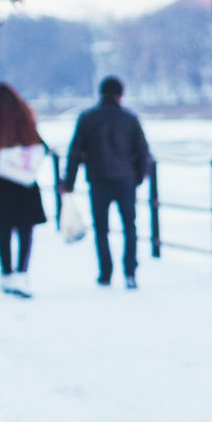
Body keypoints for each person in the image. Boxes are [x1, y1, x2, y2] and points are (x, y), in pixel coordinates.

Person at [62, 75, 152, 288]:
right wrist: (137, 177)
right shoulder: (129, 119)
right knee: (130, 227)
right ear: (120, 95)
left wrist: (69, 182)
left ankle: (105, 272)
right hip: (125, 180)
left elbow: (75, 152)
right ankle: (130, 272)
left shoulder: (87, 118)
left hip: (98, 180)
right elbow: (142, 151)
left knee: (101, 229)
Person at [0, 84, 50, 298]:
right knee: (25, 233)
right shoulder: (24, 120)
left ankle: (6, 273)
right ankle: (21, 274)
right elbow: (42, 146)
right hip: (25, 184)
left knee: (3, 233)